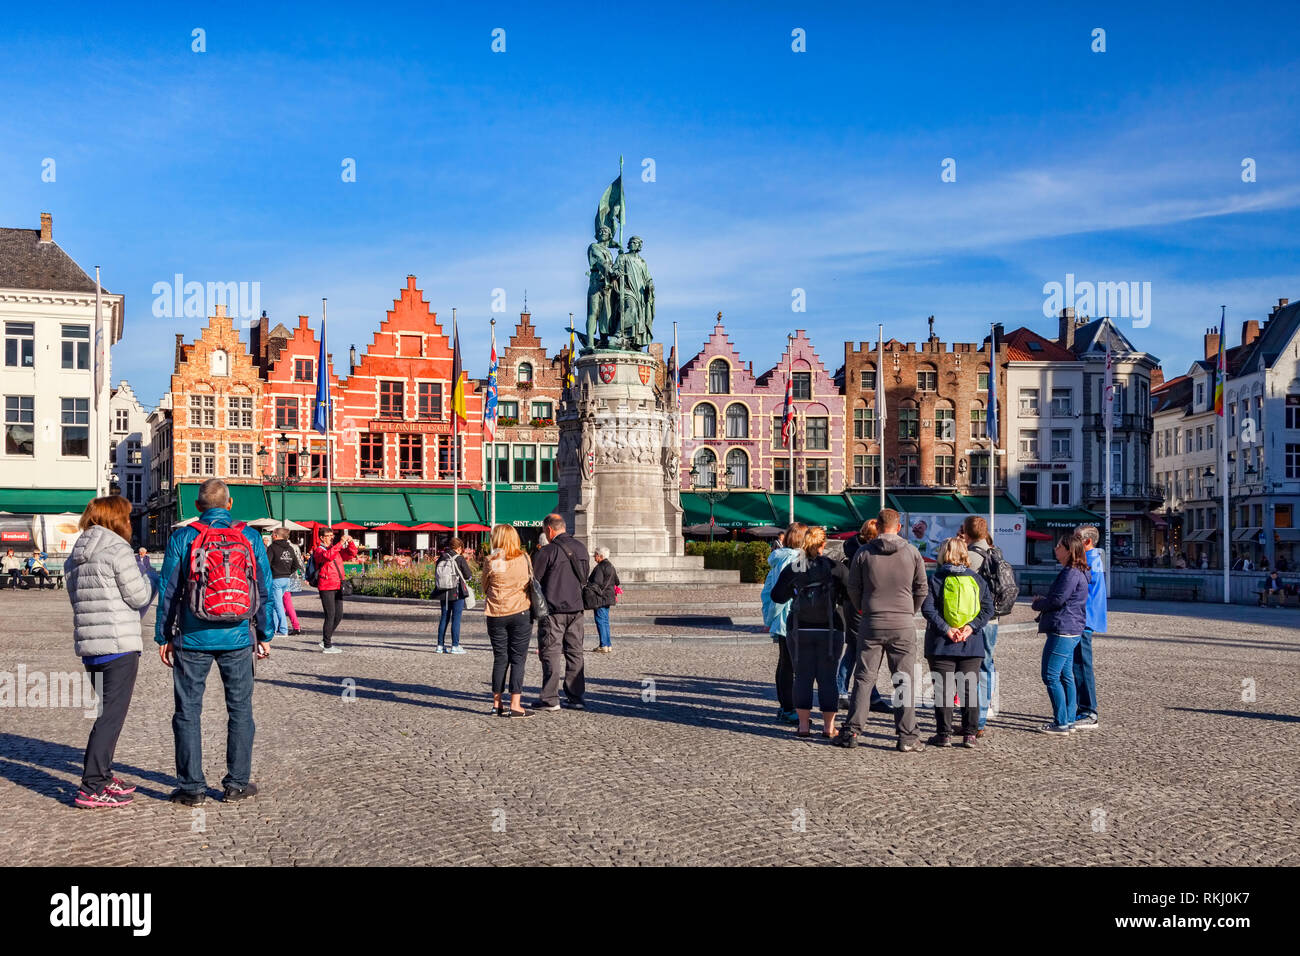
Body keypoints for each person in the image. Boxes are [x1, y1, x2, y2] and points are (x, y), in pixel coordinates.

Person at [155, 478, 273, 804]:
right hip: (237, 637)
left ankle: (192, 788)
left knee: (188, 712)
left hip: (192, 638)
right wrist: (264, 634)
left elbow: (169, 590)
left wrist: (163, 635)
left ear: (197, 507)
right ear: (230, 504)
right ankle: (236, 784)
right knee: (240, 711)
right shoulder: (249, 536)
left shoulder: (183, 536)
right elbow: (261, 591)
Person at [65, 495, 157, 808]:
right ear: (116, 519)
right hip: (119, 645)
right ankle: (92, 785)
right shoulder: (118, 549)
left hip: (91, 647)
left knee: (106, 713)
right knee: (110, 718)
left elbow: (77, 600)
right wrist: (151, 576)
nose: (130, 523)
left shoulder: (76, 552)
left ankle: (102, 775)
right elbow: (139, 595)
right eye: (127, 518)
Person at [838, 508, 928, 752]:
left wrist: (864, 609)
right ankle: (907, 736)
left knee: (864, 678)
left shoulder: (863, 553)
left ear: (877, 527)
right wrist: (909, 610)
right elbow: (922, 588)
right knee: (903, 680)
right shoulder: (911, 552)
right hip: (902, 623)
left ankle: (852, 731)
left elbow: (853, 588)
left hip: (871, 622)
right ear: (898, 527)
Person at [771, 526, 849, 739]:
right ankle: (828, 727)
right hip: (830, 629)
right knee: (828, 679)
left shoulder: (795, 567)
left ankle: (803, 726)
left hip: (800, 628)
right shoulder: (835, 567)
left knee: (802, 677)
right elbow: (852, 594)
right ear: (824, 544)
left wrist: (795, 592)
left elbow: (777, 596)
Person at [920, 537, 993, 748]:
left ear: (944, 554)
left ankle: (944, 735)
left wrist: (947, 629)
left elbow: (928, 609)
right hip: (971, 643)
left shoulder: (936, 579)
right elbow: (988, 609)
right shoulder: (977, 580)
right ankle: (969, 734)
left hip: (942, 643)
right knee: (969, 689)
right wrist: (970, 628)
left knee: (943, 690)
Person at [530, 514, 590, 711]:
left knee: (551, 653)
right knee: (575, 653)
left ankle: (550, 698)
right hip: (577, 609)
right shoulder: (581, 548)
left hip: (554, 610)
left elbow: (534, 581)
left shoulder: (548, 551)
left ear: (549, 530)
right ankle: (576, 697)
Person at [1032, 534, 1090, 735]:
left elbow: (1058, 600)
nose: (1055, 549)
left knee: (1050, 675)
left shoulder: (1071, 573)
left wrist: (1038, 603)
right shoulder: (1077, 572)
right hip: (1071, 627)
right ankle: (1069, 719)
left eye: (1058, 546)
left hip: (1063, 628)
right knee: (1066, 675)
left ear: (1068, 550)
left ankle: (1061, 722)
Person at [836, 520, 890, 714]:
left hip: (854, 605)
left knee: (856, 649)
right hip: (861, 607)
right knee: (866, 651)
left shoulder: (855, 550)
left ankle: (842, 691)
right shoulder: (866, 553)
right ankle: (867, 695)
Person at [484, 524, 535, 718]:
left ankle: (497, 704)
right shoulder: (524, 558)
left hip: (496, 613)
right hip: (520, 611)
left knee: (500, 658)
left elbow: (484, 585)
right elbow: (530, 582)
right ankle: (516, 704)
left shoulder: (492, 560)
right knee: (518, 659)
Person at [761, 522, 806, 725]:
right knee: (790, 665)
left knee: (785, 664)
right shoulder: (793, 559)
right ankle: (788, 708)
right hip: (788, 617)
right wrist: (771, 619)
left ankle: (786, 707)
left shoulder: (783, 558)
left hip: (783, 617)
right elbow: (780, 592)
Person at [960, 515, 999, 736]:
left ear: (967, 532)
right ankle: (983, 713)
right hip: (993, 619)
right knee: (988, 665)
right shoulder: (995, 552)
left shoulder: (972, 558)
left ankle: (978, 719)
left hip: (976, 620)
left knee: (976, 668)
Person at [1072, 524, 1108, 730]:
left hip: (1083, 620)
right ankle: (1082, 708)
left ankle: (1088, 711)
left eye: (1077, 538)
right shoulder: (1090, 560)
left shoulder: (1089, 562)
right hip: (1083, 618)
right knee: (1078, 665)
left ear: (1087, 541)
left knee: (1082, 666)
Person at [311, 528, 358, 654]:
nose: (332, 537)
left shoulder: (335, 549)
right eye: (328, 535)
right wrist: (339, 543)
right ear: (322, 537)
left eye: (333, 535)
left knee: (339, 615)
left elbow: (351, 554)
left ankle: (326, 639)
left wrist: (351, 542)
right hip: (326, 585)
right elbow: (328, 556)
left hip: (337, 585)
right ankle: (327, 645)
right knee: (330, 615)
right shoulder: (319, 550)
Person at [433, 537, 473, 654]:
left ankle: (440, 645)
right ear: (459, 548)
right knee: (456, 618)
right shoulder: (459, 558)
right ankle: (455, 645)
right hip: (456, 592)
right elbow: (468, 575)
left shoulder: (442, 557)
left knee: (444, 618)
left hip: (443, 592)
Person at [266, 528, 301, 639]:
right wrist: (286, 572)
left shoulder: (272, 547)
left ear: (276, 535)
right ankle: (275, 628)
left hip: (276, 579)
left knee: (278, 605)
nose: (271, 536)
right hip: (286, 579)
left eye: (272, 534)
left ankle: (283, 630)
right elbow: (296, 565)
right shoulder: (290, 548)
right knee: (277, 604)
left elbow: (267, 563)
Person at [586, 546, 620, 653]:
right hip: (609, 597)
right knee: (605, 621)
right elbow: (617, 581)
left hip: (600, 598)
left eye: (595, 555)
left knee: (600, 621)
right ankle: (608, 644)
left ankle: (603, 645)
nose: (594, 557)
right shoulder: (611, 566)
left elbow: (596, 582)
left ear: (600, 556)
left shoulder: (600, 567)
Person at [282, 537, 304, 635]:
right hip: (294, 576)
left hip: (283, 576)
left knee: (286, 601)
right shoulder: (295, 546)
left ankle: (295, 625)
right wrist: (304, 575)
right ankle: (284, 624)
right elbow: (300, 562)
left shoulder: (281, 546)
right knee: (284, 601)